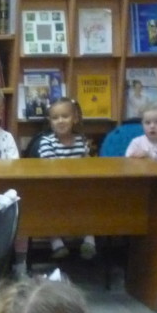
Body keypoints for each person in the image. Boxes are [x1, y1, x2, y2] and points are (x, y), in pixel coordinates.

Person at [38, 97, 96, 260]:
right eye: (55, 118)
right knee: (46, 206)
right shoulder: (47, 142)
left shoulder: (81, 141)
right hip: (54, 188)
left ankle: (89, 240)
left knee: (93, 200)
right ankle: (56, 242)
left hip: (78, 187)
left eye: (65, 116)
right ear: (50, 121)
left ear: (75, 118)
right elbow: (51, 168)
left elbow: (87, 164)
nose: (60, 121)